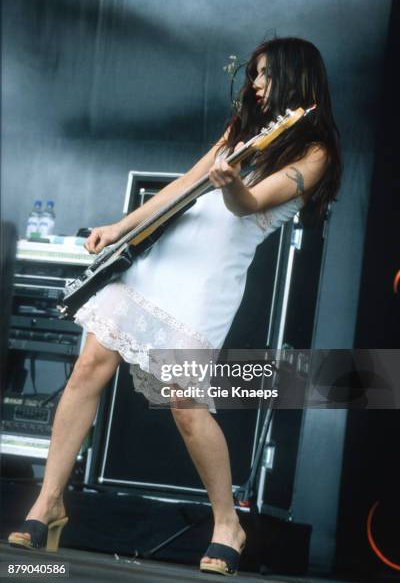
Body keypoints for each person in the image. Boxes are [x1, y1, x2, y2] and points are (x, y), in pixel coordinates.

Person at [9, 37, 341, 576]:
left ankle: (227, 523)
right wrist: (118, 228)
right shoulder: (242, 132)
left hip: (205, 283)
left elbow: (248, 204)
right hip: (161, 261)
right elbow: (184, 188)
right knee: (89, 368)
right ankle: (48, 502)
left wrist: (232, 183)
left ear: (293, 76)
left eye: (263, 74)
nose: (254, 84)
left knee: (186, 406)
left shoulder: (314, 151)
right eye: (252, 74)